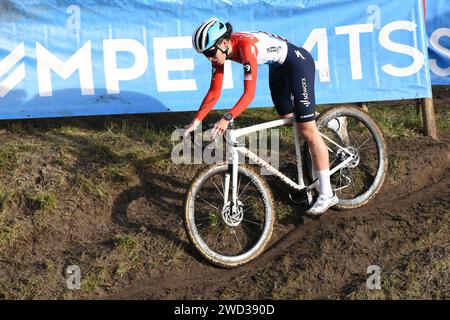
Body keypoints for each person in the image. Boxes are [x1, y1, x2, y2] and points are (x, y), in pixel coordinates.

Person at [183, 17, 338, 215]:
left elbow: (249, 94)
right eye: (205, 55)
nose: (209, 58)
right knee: (289, 117)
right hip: (277, 69)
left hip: (298, 64)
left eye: (210, 52)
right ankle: (332, 121)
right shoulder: (221, 52)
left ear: (223, 43)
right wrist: (196, 121)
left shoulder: (246, 48)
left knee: (306, 130)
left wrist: (227, 118)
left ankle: (327, 194)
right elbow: (214, 92)